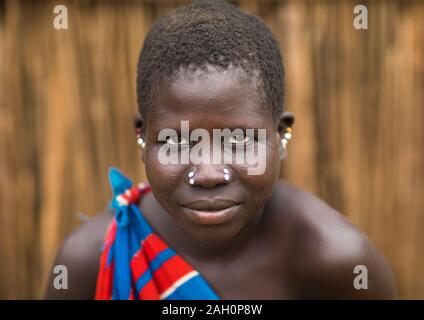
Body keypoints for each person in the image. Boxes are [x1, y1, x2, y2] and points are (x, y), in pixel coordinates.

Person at [45, 0, 396, 299]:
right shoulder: (88, 262)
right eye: (177, 142)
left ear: (281, 134)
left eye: (240, 142)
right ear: (143, 137)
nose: (210, 174)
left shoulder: (337, 261)